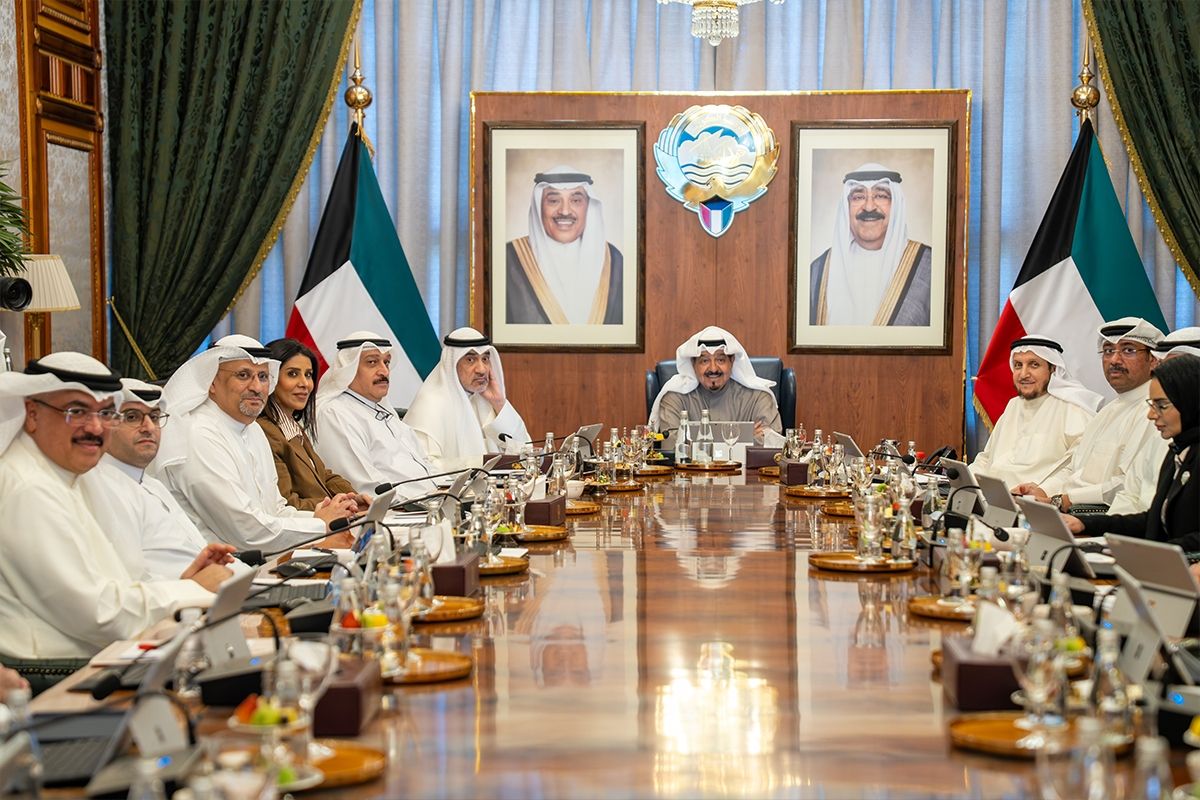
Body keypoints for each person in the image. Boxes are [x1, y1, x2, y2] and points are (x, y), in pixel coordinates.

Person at [0, 353, 226, 681]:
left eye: (106, 413)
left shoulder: (68, 475)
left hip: (101, 658)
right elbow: (98, 614)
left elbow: (112, 584)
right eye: (76, 411)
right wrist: (191, 590)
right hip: (55, 676)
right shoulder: (29, 488)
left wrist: (181, 583)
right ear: (32, 414)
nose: (94, 428)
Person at [150, 335, 357, 552]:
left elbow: (276, 510)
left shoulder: (253, 430)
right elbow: (246, 531)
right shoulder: (197, 434)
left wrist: (331, 517)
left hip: (261, 556)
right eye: (243, 375)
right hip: (220, 564)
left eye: (263, 376)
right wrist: (320, 525)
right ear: (211, 382)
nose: (257, 387)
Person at [80, 378, 247, 582]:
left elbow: (192, 551)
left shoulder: (153, 485)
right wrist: (191, 584)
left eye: (154, 417)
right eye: (132, 417)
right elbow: (128, 580)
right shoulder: (99, 488)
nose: (148, 427)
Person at [1013, 318, 1167, 512]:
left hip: (1104, 517)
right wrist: (1043, 491)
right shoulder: (1108, 411)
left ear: (1153, 360)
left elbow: (1129, 485)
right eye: (1108, 351)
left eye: (1128, 350)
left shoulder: (1156, 414)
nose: (1114, 360)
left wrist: (1062, 500)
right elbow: (1075, 469)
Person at [1066, 355, 1199, 549]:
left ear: (1190, 402)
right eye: (1152, 405)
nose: (1151, 415)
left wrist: (1152, 553)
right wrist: (1085, 523)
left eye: (1162, 406)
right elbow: (1154, 522)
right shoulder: (1177, 452)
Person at [314, 332, 438, 498]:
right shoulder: (334, 414)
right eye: (372, 362)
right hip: (398, 509)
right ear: (348, 368)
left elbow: (425, 464)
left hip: (428, 501)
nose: (384, 371)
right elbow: (366, 486)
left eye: (386, 362)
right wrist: (423, 500)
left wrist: (446, 489)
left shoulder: (383, 410)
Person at [809, 163, 933, 326]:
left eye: (881, 196)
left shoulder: (929, 268)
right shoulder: (818, 271)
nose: (869, 207)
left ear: (896, 204)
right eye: (858, 197)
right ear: (846, 206)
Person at [970, 335, 1100, 489]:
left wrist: (1043, 491)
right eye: (1018, 365)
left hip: (1036, 499)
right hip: (995, 497)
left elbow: (1080, 467)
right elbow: (986, 458)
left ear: (1053, 369)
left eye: (1034, 365)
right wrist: (965, 478)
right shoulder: (1013, 405)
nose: (1023, 374)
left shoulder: (1072, 408)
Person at [257, 338, 370, 511]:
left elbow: (323, 475)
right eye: (292, 374)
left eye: (308, 375)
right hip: (307, 523)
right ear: (270, 378)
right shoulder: (266, 431)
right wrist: (336, 505)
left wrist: (352, 497)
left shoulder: (291, 425)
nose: (304, 384)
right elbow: (287, 503)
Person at [506, 166, 623, 325]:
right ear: (539, 206)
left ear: (588, 206)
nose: (565, 211)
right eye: (554, 201)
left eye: (576, 201)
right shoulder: (508, 258)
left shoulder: (614, 260)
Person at [404, 327, 531, 469]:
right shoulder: (430, 404)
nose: (481, 369)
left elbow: (526, 452)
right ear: (452, 364)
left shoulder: (484, 400)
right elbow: (422, 467)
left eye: (485, 359)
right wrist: (477, 464)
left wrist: (499, 403)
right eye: (470, 360)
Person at [648, 325, 782, 437]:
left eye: (721, 360)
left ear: (732, 361)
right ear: (693, 364)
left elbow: (771, 444)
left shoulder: (758, 397)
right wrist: (745, 437)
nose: (713, 368)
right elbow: (670, 444)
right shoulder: (675, 397)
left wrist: (692, 439)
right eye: (704, 360)